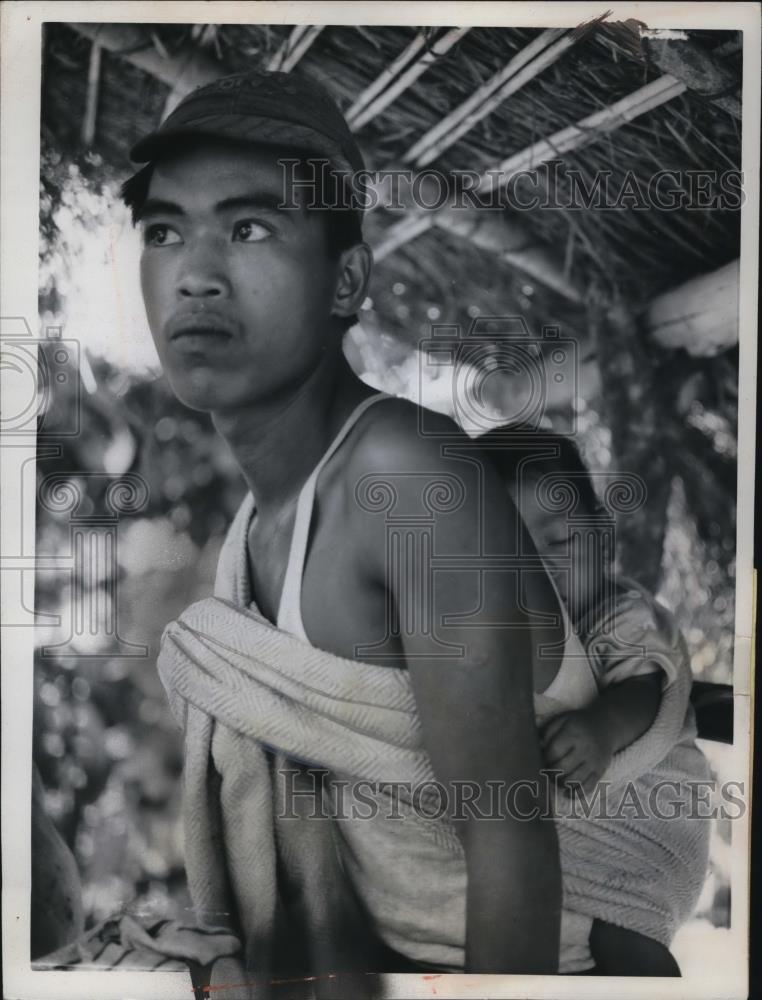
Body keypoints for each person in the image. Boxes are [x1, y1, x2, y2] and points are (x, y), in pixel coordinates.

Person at [124, 71, 566, 996]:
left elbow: (509, 833)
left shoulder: (408, 477)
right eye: (164, 231)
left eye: (249, 229)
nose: (194, 272)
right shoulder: (247, 535)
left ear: (347, 280)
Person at [480, 426, 712, 976]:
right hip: (568, 827)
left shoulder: (619, 613)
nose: (538, 568)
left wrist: (603, 729)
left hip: (652, 815)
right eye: (508, 552)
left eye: (558, 544)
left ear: (603, 539)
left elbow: (642, 690)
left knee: (625, 941)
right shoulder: (497, 630)